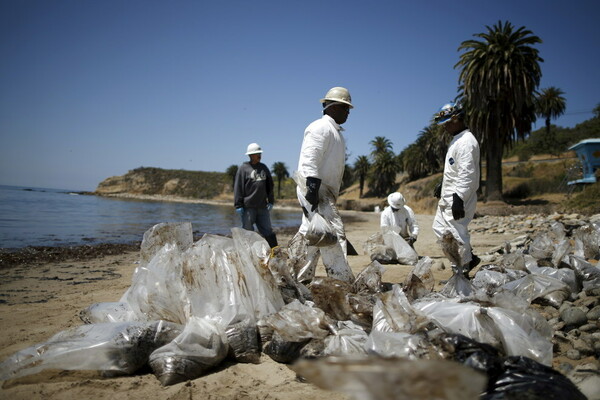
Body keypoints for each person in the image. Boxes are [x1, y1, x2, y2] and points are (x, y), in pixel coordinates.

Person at [293, 87, 355, 284]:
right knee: (334, 234)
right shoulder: (320, 127)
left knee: (313, 235)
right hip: (316, 190)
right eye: (345, 108)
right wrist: (311, 187)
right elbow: (310, 157)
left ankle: (298, 278)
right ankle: (342, 282)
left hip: (322, 190)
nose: (348, 112)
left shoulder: (335, 132)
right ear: (333, 107)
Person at [432, 101, 480, 277]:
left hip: (458, 197)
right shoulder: (456, 141)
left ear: (457, 119)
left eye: (447, 123)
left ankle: (462, 272)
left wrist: (459, 197)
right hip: (448, 196)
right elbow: (455, 170)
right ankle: (468, 259)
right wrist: (442, 184)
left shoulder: (467, 142)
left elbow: (468, 173)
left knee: (457, 233)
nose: (445, 127)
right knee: (440, 229)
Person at [234, 143, 278, 248]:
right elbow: (238, 187)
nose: (259, 155)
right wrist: (238, 205)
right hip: (248, 207)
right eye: (256, 153)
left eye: (259, 153)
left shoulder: (264, 167)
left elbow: (270, 185)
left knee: (268, 231)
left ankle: (274, 252)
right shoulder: (243, 168)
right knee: (247, 232)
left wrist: (271, 201)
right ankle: (248, 254)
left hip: (263, 207)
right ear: (250, 155)